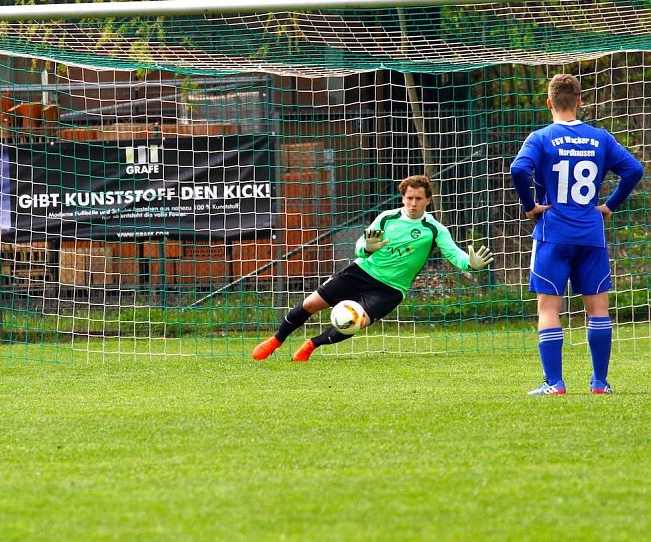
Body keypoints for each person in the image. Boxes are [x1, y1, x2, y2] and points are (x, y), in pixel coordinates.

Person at [252, 174, 495, 362]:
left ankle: (311, 345)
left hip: (390, 289)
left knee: (353, 322)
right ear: (403, 198)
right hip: (361, 272)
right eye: (409, 198)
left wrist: (469, 264)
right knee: (310, 304)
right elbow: (361, 246)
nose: (413, 203)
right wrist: (367, 248)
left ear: (428, 200)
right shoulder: (387, 218)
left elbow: (455, 254)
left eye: (418, 198)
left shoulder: (434, 229)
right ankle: (276, 340)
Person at [510, 73, 644, 396]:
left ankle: (554, 382)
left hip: (552, 234)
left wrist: (530, 207)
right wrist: (609, 205)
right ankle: (600, 382)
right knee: (598, 308)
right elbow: (634, 170)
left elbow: (517, 170)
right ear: (580, 102)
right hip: (590, 234)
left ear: (549, 103)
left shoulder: (540, 137)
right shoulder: (600, 138)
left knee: (548, 308)